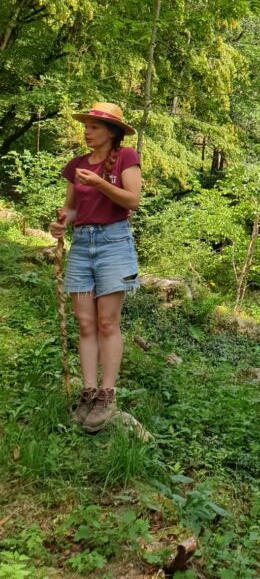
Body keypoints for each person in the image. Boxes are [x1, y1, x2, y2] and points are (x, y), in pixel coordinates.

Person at [49, 102, 141, 433]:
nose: (87, 132)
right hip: (82, 246)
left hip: (114, 244)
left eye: (94, 127)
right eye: (86, 126)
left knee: (107, 322)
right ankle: (88, 393)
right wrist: (60, 224)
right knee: (85, 322)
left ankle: (107, 395)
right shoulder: (75, 165)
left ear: (112, 132)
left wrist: (101, 182)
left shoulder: (127, 158)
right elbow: (71, 210)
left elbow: (132, 201)